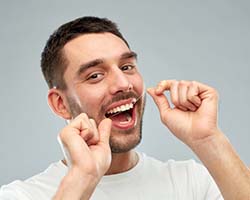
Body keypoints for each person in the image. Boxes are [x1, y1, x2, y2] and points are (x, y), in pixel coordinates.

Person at [0, 16, 249, 200]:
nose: (123, 83)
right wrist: (82, 179)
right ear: (61, 103)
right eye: (95, 75)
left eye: (127, 67)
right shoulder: (21, 195)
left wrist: (208, 140)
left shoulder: (193, 183)